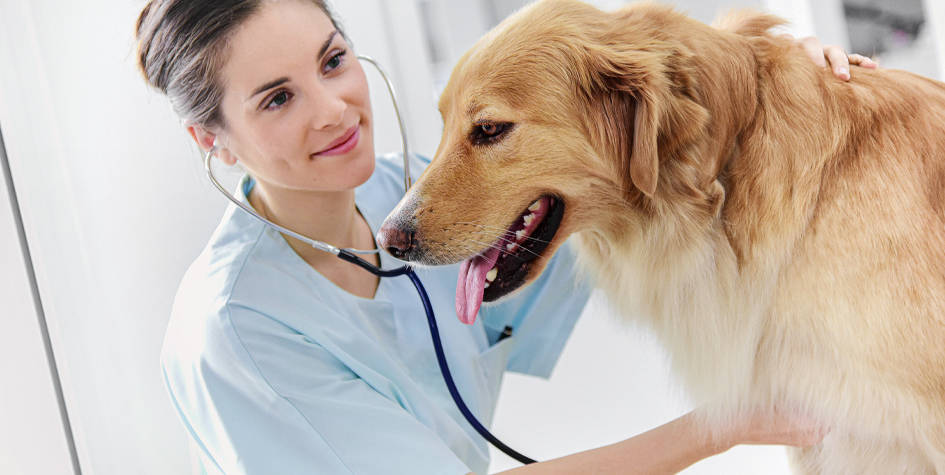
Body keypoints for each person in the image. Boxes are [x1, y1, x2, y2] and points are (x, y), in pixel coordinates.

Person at [134, 1, 876, 473]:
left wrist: (767, 70)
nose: (334, 108)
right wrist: (725, 423)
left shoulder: (404, 196)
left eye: (332, 60)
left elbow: (617, 168)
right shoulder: (235, 333)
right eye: (277, 98)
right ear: (214, 140)